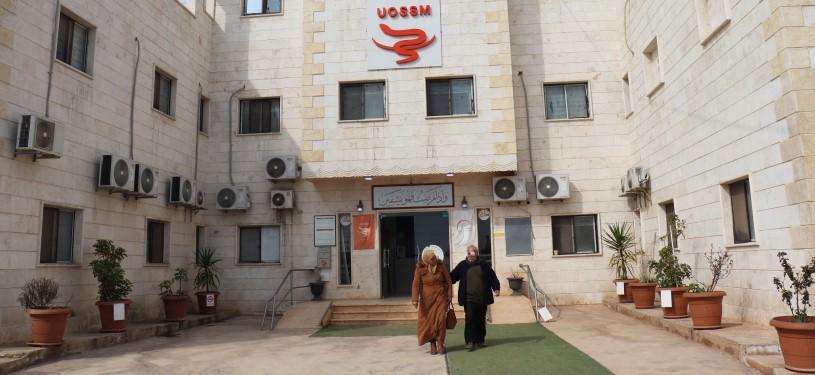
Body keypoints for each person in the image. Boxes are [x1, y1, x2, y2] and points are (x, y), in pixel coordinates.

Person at [450, 244, 500, 352]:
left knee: (481, 319)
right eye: (469, 253)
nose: (471, 255)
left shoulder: (483, 265)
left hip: (482, 298)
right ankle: (470, 342)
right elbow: (453, 276)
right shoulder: (462, 265)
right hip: (468, 299)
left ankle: (480, 340)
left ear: (477, 254)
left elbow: (492, 277)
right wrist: (443, 277)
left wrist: (496, 288)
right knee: (470, 319)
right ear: (467, 254)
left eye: (473, 253)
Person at [411, 245, 453, 355]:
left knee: (440, 321)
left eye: (435, 257)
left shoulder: (441, 266)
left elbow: (448, 281)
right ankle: (433, 344)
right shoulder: (420, 268)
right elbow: (415, 284)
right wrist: (415, 299)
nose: (434, 260)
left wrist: (449, 295)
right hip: (426, 300)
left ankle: (441, 343)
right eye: (432, 258)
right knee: (429, 323)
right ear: (426, 260)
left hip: (440, 297)